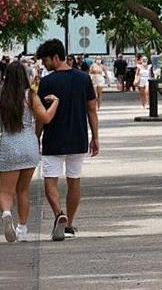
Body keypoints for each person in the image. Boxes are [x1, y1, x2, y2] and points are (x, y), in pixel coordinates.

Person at [35, 39, 99, 241]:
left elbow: (41, 114)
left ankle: (58, 214)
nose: (44, 65)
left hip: (53, 138)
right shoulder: (83, 79)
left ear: (56, 57)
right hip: (78, 136)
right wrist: (95, 137)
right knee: (74, 180)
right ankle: (69, 223)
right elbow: (92, 109)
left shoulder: (47, 82)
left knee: (50, 179)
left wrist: (36, 137)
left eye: (46, 60)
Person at [0, 61, 59, 242]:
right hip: (29, 144)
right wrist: (55, 102)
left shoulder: (2, 95)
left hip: (8, 143)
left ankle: (7, 214)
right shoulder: (30, 96)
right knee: (23, 190)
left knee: (5, 191)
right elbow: (46, 118)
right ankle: (22, 229)